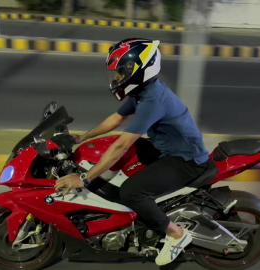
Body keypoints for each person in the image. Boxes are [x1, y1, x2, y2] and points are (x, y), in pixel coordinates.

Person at [55, 38, 210, 266]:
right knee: (111, 161)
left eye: (120, 72)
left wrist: (84, 178)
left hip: (185, 159)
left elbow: (122, 146)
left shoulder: (153, 100)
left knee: (131, 192)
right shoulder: (143, 91)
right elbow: (117, 118)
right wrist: (82, 138)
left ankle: (176, 235)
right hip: (164, 148)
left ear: (136, 70)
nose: (116, 78)